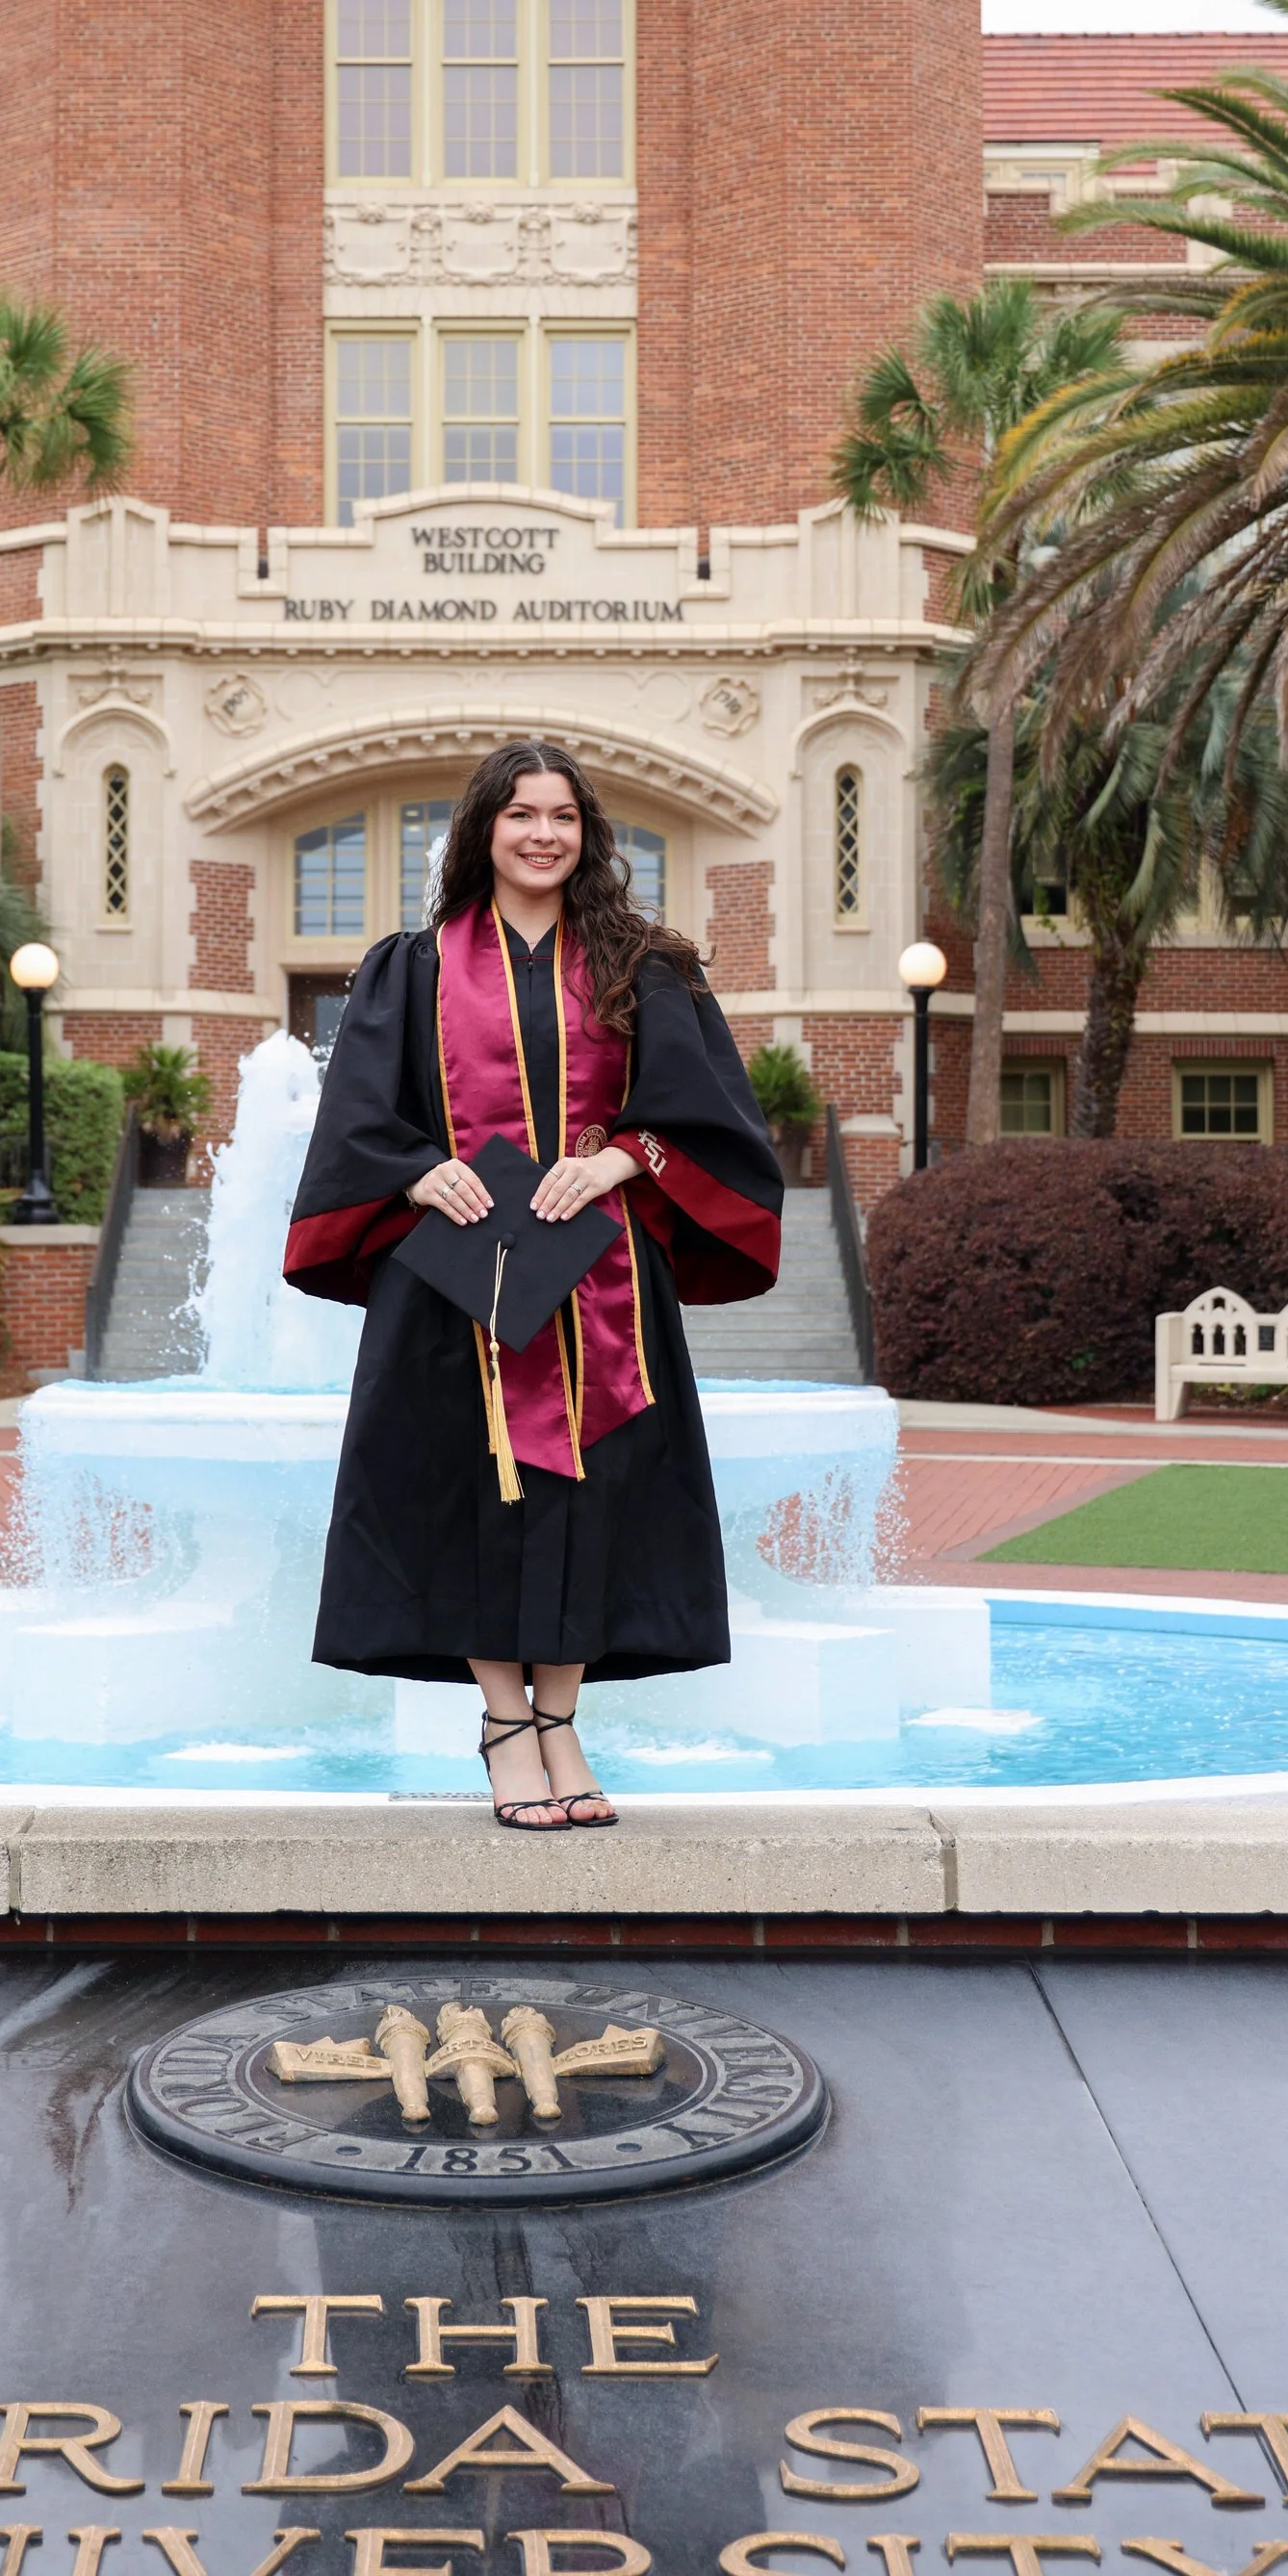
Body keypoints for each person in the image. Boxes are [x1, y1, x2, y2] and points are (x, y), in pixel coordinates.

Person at [284, 739, 784, 1829]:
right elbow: (358, 1117)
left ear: (586, 833)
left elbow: (713, 1121)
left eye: (562, 815)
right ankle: (506, 1725)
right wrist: (418, 1170)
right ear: (484, 829)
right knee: (469, 1495)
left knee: (588, 1498)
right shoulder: (411, 968)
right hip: (454, 1285)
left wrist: (621, 1159)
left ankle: (562, 1721)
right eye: (521, 814)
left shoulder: (644, 966)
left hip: (601, 1280)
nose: (542, 834)